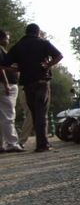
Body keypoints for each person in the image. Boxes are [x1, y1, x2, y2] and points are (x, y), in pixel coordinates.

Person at [0, 24, 63, 152]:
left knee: (34, 113)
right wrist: (48, 65)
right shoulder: (43, 43)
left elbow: (2, 65)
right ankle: (42, 145)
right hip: (41, 81)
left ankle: (40, 143)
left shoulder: (18, 46)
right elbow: (59, 55)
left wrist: (16, 68)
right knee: (41, 113)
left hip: (27, 84)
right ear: (37, 32)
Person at [0, 30, 25, 153]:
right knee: (8, 115)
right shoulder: (0, 50)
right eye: (7, 38)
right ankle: (11, 143)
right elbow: (1, 67)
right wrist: (6, 84)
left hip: (4, 85)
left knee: (2, 115)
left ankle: (1, 143)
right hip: (5, 85)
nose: (8, 41)